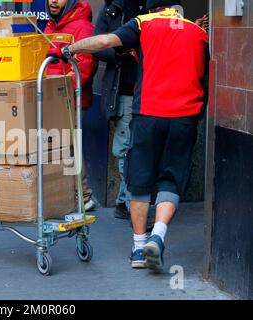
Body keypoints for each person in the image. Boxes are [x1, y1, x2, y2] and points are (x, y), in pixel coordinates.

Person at [52, 0, 209, 271]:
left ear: (151, 8)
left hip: (149, 114)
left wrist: (71, 49)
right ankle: (158, 236)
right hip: (184, 118)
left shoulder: (143, 23)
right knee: (170, 180)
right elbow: (204, 78)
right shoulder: (198, 32)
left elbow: (104, 42)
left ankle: (139, 248)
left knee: (140, 181)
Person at [44, 0, 99, 211]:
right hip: (51, 98)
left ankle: (84, 196)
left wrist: (61, 90)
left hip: (69, 99)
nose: (53, 1)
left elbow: (84, 67)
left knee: (70, 148)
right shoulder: (52, 25)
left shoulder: (83, 27)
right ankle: (68, 194)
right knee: (61, 147)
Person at [93, 0, 146, 220]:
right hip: (122, 91)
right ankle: (125, 202)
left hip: (147, 91)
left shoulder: (149, 10)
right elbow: (97, 46)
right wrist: (120, 52)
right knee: (125, 148)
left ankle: (129, 200)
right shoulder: (110, 10)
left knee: (140, 147)